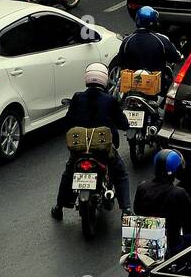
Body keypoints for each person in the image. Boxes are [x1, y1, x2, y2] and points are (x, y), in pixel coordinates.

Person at [51, 62, 133, 220]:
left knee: (68, 173)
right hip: (103, 150)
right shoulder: (110, 100)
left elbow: (67, 122)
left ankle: (59, 207)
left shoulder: (77, 97)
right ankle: (127, 209)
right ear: (104, 79)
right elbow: (123, 123)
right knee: (121, 173)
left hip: (79, 149)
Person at [134, 149, 191, 255]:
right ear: (175, 170)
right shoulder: (178, 193)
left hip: (148, 243)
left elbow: (137, 210)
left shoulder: (142, 187)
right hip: (172, 245)